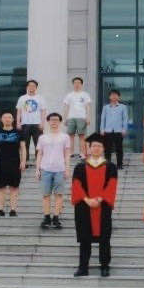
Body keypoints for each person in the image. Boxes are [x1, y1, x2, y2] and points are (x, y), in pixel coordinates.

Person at [72, 133, 118, 277]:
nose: (96, 148)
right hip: (84, 207)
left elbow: (112, 185)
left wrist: (99, 199)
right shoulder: (80, 167)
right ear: (89, 148)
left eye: (99, 146)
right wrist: (86, 199)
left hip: (103, 206)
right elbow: (76, 185)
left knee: (104, 237)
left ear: (103, 148)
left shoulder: (111, 167)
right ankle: (83, 267)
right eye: (94, 146)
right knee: (85, 237)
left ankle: (105, 266)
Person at [36, 113, 71, 229]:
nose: (54, 122)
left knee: (59, 194)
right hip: (45, 169)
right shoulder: (42, 137)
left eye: (56, 120)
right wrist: (37, 169)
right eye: (52, 120)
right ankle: (46, 217)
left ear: (60, 122)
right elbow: (39, 154)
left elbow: (67, 154)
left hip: (60, 169)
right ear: (48, 122)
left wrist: (67, 168)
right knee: (46, 195)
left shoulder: (65, 137)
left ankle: (56, 217)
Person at [0, 110, 26, 217]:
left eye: (9, 117)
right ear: (1, 119)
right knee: (0, 187)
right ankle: (0, 210)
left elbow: (23, 148)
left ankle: (13, 210)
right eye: (5, 117)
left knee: (14, 187)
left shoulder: (19, 133)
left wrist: (23, 161)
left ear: (13, 119)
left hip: (15, 163)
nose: (7, 119)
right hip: (0, 163)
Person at [16, 80, 47, 164]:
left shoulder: (40, 98)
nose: (31, 87)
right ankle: (25, 161)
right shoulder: (22, 98)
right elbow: (19, 111)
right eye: (29, 85)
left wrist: (42, 123)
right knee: (24, 144)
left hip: (37, 123)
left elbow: (43, 111)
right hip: (25, 124)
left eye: (33, 86)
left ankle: (39, 161)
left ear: (36, 87)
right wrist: (18, 122)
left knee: (39, 144)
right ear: (27, 87)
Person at [63, 77, 92, 160]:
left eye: (79, 83)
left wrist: (88, 117)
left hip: (82, 117)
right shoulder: (69, 95)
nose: (77, 84)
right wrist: (65, 118)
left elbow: (88, 107)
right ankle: (70, 153)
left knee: (82, 136)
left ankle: (82, 153)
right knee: (70, 136)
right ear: (73, 84)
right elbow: (66, 107)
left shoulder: (85, 95)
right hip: (71, 117)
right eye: (75, 83)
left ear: (81, 84)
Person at [100, 89, 128, 170]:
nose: (114, 96)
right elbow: (103, 119)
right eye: (112, 95)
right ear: (109, 97)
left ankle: (119, 165)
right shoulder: (105, 107)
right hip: (107, 131)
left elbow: (125, 119)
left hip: (118, 131)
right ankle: (107, 165)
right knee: (107, 149)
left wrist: (124, 129)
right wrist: (102, 129)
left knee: (119, 149)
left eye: (116, 95)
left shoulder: (123, 107)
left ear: (119, 97)